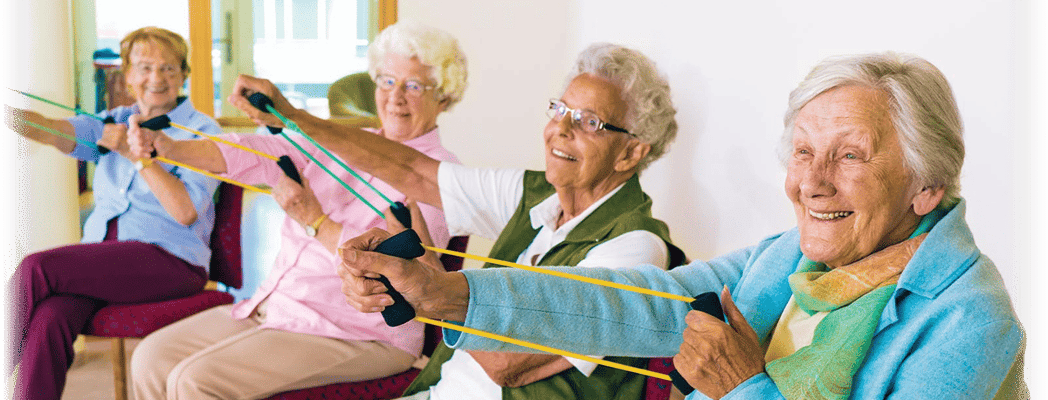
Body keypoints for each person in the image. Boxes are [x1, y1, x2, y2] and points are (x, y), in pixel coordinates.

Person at [336, 52, 1028, 400]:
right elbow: (629, 302)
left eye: (850, 156)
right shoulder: (788, 256)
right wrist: (449, 296)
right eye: (803, 152)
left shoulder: (971, 321)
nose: (811, 182)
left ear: (927, 184)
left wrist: (743, 388)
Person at [223, 43, 685, 399]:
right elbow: (411, 170)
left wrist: (430, 289)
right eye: (559, 110)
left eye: (589, 122)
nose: (560, 129)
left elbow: (507, 364)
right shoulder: (538, 194)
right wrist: (295, 117)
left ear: (633, 151)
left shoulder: (633, 247)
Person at [124, 21, 462, 399]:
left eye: (413, 86)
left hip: (358, 332)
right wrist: (172, 149)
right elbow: (252, 150)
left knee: (194, 381)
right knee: (150, 358)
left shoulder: (441, 176)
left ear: (444, 97)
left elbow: (397, 269)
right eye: (386, 81)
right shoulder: (349, 142)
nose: (395, 97)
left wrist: (315, 221)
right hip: (278, 305)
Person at [2, 26, 221, 400]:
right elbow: (53, 131)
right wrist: (8, 115)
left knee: (37, 269)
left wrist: (139, 156)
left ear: (184, 74)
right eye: (145, 67)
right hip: (105, 263)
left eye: (169, 68)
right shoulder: (112, 119)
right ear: (128, 75)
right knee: (51, 316)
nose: (157, 78)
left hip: (171, 262)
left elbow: (185, 213)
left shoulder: (202, 132)